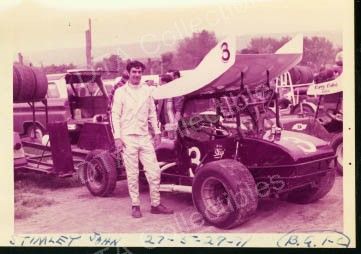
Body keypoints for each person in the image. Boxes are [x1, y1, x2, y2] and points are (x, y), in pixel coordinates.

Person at [111, 60, 174, 218]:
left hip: (145, 137)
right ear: (128, 73)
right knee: (132, 174)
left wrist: (158, 132)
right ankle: (135, 205)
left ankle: (155, 204)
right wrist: (117, 137)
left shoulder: (147, 91)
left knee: (154, 172)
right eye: (134, 72)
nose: (137, 75)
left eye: (139, 72)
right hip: (128, 138)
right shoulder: (121, 92)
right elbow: (115, 116)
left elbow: (152, 113)